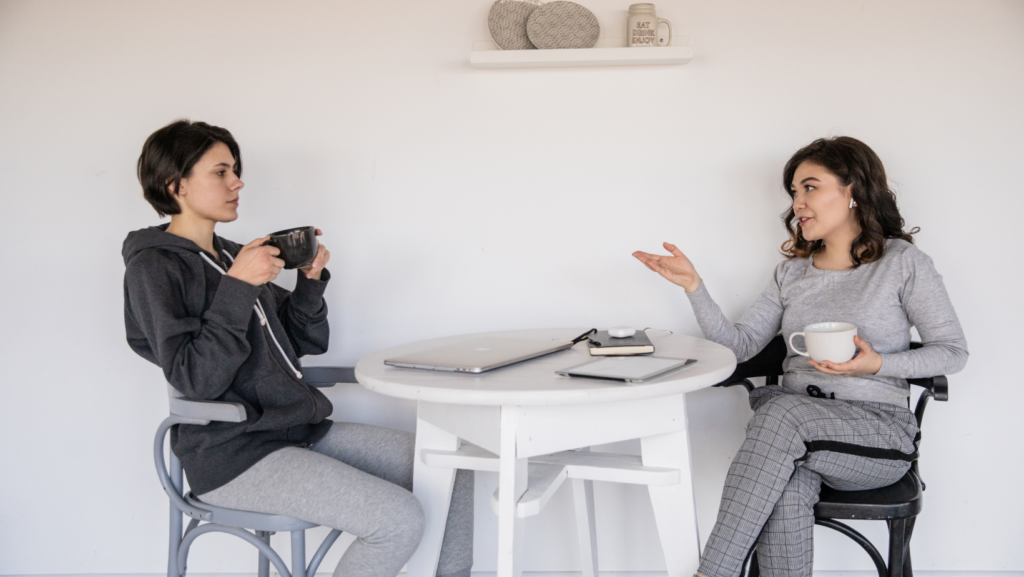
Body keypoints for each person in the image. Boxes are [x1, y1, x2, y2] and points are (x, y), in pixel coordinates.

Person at [123, 120, 473, 577]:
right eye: (221, 172)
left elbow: (301, 341)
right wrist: (237, 287)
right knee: (397, 518)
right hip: (234, 454)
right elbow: (194, 378)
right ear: (176, 184)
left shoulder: (233, 254)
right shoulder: (154, 267)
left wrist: (307, 284)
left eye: (236, 170)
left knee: (454, 471)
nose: (238, 182)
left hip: (297, 431)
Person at [633, 136, 968, 577]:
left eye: (810, 187)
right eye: (793, 192)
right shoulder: (791, 273)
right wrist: (695, 288)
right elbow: (740, 347)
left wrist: (878, 364)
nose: (798, 203)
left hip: (875, 437)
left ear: (852, 190)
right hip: (793, 440)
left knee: (781, 416)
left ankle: (711, 572)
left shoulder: (902, 263)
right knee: (786, 484)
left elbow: (953, 353)